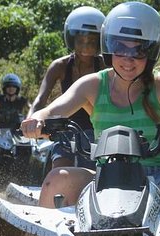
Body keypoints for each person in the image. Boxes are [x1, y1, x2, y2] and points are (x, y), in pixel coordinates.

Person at [21, 2, 160, 208]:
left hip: (158, 176)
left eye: (139, 50)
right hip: (105, 174)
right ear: (109, 48)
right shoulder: (92, 84)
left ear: (152, 52)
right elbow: (54, 109)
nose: (128, 59)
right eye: (120, 48)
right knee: (55, 179)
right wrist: (38, 119)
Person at [28, 6, 105, 169]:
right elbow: (41, 99)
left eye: (92, 42)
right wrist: (31, 120)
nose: (86, 47)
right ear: (71, 40)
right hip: (65, 129)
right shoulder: (60, 66)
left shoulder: (106, 66)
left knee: (94, 176)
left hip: (98, 129)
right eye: (81, 41)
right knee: (59, 172)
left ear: (100, 42)